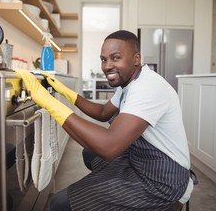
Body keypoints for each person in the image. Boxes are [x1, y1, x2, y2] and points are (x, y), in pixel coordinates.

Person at [15, 30, 193, 211]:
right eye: (103, 59)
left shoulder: (149, 87)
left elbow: (109, 146)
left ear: (136, 58)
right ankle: (110, 193)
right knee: (89, 153)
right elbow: (103, 112)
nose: (107, 66)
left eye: (115, 58)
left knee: (60, 204)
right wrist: (65, 92)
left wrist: (49, 102)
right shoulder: (129, 83)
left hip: (162, 179)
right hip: (140, 159)